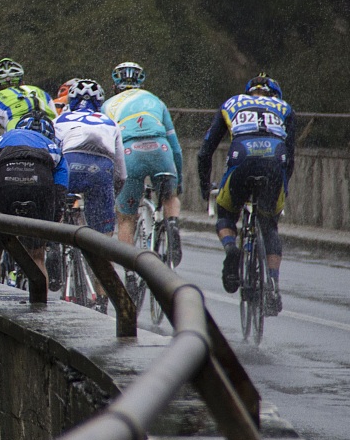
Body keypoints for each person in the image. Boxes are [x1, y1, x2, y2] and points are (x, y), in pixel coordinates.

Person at [197, 73, 296, 314]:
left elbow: (204, 152)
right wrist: (283, 187)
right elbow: (290, 157)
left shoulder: (231, 104)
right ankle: (273, 283)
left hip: (242, 158)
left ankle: (231, 247)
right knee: (269, 225)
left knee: (226, 213)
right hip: (274, 161)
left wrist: (205, 187)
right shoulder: (284, 108)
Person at [0, 112, 68, 285]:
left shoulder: (1, 141)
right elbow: (60, 195)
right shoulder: (54, 147)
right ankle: (39, 305)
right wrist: (49, 232)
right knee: (36, 256)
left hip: (6, 185)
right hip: (40, 187)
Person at [101, 61, 183, 269]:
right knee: (169, 197)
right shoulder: (156, 101)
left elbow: (106, 147)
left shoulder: (107, 105)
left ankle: (129, 270)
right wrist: (178, 181)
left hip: (130, 154)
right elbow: (176, 148)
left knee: (126, 219)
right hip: (160, 149)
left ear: (115, 85)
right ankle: (172, 223)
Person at [54, 79, 125, 235]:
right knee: (102, 236)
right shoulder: (111, 123)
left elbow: (51, 155)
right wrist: (110, 196)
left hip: (70, 163)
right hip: (101, 169)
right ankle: (100, 253)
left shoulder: (58, 120)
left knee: (52, 210)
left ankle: (52, 242)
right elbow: (122, 174)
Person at [0, 57, 55, 140]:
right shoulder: (42, 93)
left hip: (17, 136)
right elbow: (57, 123)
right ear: (23, 83)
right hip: (49, 132)